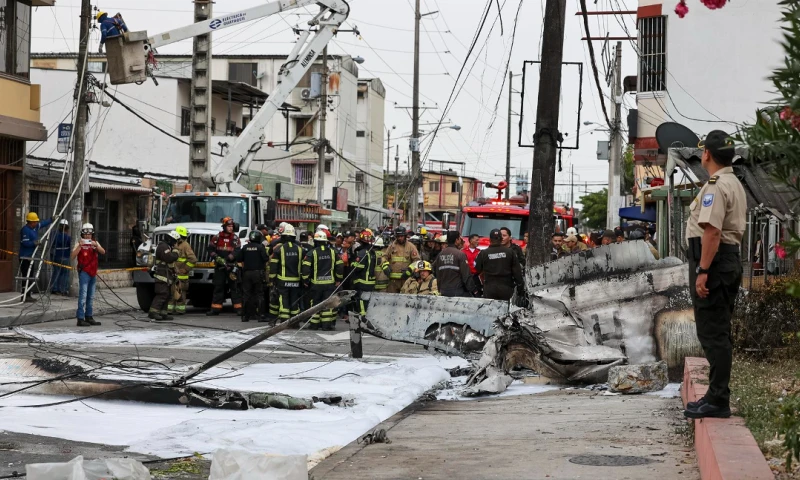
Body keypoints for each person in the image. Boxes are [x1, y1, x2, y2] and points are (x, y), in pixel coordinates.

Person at [683, 130, 745, 420]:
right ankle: (714, 395)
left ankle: (718, 399)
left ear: (706, 153)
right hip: (725, 261)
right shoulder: (732, 182)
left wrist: (702, 270)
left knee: (713, 333)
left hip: (715, 263)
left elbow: (712, 231)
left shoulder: (717, 185)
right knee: (717, 330)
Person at [302, 231, 344, 330]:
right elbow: (340, 266)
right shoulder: (333, 252)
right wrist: (338, 279)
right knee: (328, 304)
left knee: (315, 304)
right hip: (330, 284)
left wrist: (305, 280)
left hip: (316, 285)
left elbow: (306, 268)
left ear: (316, 241)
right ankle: (326, 325)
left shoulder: (311, 253)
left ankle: (314, 325)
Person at [207, 217, 242, 316]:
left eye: (232, 226)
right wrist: (217, 258)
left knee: (235, 288)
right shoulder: (217, 237)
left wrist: (229, 258)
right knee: (218, 287)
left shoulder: (235, 238)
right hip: (220, 267)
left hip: (231, 267)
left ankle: (238, 309)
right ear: (224, 227)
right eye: (229, 226)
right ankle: (215, 309)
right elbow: (210, 249)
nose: (231, 228)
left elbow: (238, 250)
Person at [71, 223, 104, 326]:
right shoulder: (79, 243)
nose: (87, 236)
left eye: (89, 234)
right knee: (83, 296)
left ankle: (89, 316)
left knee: (91, 296)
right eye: (86, 234)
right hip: (84, 272)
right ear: (83, 234)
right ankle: (80, 318)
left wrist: (96, 246)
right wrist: (80, 246)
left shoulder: (95, 243)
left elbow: (103, 252)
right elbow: (72, 256)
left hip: (93, 273)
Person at [269, 224, 304, 323]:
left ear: (283, 237)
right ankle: (294, 321)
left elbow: (274, 265)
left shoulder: (279, 249)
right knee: (294, 301)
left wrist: (272, 280)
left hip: (283, 281)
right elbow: (304, 265)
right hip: (296, 281)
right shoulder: (300, 249)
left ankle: (284, 320)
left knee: (283, 300)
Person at [476, 229, 524, 301]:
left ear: (490, 239)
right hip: (506, 288)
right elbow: (517, 272)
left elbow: (478, 269)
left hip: (490, 288)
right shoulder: (510, 252)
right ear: (501, 239)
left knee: (490, 309)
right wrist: (520, 288)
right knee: (506, 310)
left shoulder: (483, 253)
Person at [19, 212, 53, 299]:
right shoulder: (25, 230)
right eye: (35, 222)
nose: (36, 223)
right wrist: (34, 243)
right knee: (26, 276)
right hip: (25, 257)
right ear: (30, 222)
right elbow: (25, 243)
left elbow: (42, 224)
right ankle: (24, 295)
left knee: (30, 276)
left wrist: (51, 219)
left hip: (31, 256)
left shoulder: (35, 227)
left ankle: (28, 294)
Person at [238, 230, 269, 323]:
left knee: (246, 295)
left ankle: (245, 316)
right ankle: (261, 315)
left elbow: (239, 258)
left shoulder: (245, 247)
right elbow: (266, 258)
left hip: (247, 274)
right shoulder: (261, 247)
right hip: (258, 273)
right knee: (259, 294)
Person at [433, 230, 476, 297]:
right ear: (456, 240)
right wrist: (474, 291)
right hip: (457, 292)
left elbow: (434, 270)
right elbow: (466, 275)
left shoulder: (440, 254)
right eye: (459, 238)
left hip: (443, 291)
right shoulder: (460, 254)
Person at [149, 231, 180, 321]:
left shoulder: (167, 246)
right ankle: (153, 312)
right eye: (174, 241)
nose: (175, 243)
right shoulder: (163, 246)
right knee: (162, 294)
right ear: (170, 239)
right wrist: (176, 253)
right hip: (162, 275)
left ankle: (163, 313)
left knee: (167, 294)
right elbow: (169, 258)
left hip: (166, 275)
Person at [167, 226, 197, 316]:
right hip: (172, 274)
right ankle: (169, 310)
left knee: (181, 294)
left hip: (181, 276)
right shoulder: (173, 244)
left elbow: (193, 259)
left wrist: (185, 269)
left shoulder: (185, 245)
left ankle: (180, 310)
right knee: (171, 293)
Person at [381, 226, 420, 293]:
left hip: (406, 280)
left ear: (405, 236)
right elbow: (384, 256)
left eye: (402, 236)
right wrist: (385, 265)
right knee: (392, 300)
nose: (400, 238)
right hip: (393, 281)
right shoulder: (391, 246)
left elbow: (416, 260)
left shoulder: (411, 247)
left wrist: (410, 269)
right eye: (398, 236)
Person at [351, 229, 378, 316]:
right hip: (370, 282)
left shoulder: (362, 252)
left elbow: (358, 267)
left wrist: (352, 263)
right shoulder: (372, 252)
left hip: (362, 282)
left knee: (361, 301)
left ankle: (363, 318)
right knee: (367, 301)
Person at [51, 220, 71, 296]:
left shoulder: (55, 235)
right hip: (65, 257)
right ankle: (63, 289)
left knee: (56, 272)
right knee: (65, 274)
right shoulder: (68, 238)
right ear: (67, 228)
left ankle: (54, 289)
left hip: (56, 256)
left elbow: (52, 245)